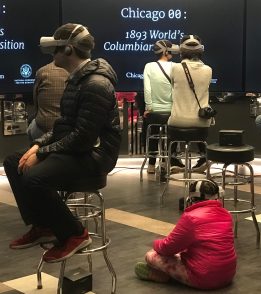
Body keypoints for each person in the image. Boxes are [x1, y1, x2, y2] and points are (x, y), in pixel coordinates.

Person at [2, 23, 121, 263]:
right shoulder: (78, 79)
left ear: (68, 50)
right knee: (13, 161)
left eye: (54, 49)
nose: (51, 55)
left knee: (33, 177)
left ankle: (75, 234)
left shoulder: (95, 84)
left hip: (96, 156)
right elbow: (63, 126)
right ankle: (44, 225)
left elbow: (83, 138)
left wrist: (43, 151)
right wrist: (38, 146)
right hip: (82, 149)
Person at [134, 180, 236, 290]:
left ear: (191, 198)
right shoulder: (226, 214)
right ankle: (167, 275)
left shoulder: (191, 217)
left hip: (204, 278)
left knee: (151, 255)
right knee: (184, 250)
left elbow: (167, 248)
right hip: (228, 274)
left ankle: (162, 276)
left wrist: (155, 243)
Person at [168, 35, 212, 173]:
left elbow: (172, 86)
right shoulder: (208, 70)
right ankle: (204, 158)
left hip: (178, 121)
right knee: (200, 129)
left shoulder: (175, 68)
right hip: (201, 122)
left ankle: (173, 161)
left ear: (181, 51)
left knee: (170, 128)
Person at [143, 40, 180, 174]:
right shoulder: (176, 66)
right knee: (172, 135)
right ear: (165, 52)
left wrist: (149, 107)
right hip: (172, 111)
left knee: (154, 134)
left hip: (155, 112)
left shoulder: (149, 66)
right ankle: (166, 162)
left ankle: (151, 165)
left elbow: (147, 89)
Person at [27, 61, 68, 141]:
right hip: (68, 129)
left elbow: (36, 101)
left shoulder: (42, 72)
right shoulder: (77, 72)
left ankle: (34, 149)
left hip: (43, 128)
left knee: (30, 127)